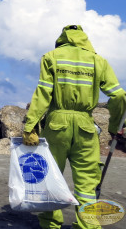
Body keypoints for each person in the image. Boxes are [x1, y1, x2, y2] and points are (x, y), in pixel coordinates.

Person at [22, 25, 126, 229]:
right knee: (87, 184)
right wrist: (115, 126)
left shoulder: (51, 57)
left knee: (50, 177)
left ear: (62, 39)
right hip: (85, 126)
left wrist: (30, 125)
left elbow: (43, 93)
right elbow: (120, 95)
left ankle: (51, 224)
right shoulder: (98, 60)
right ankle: (87, 225)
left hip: (56, 125)